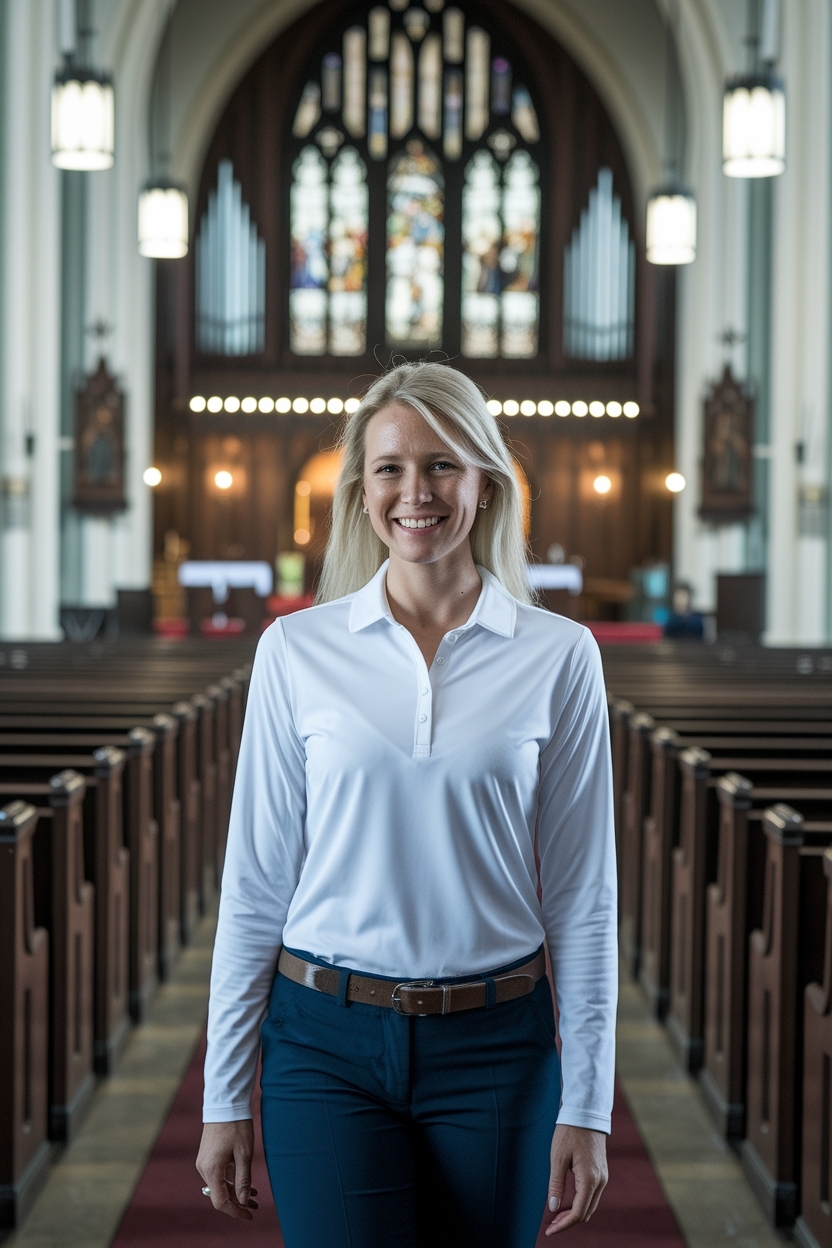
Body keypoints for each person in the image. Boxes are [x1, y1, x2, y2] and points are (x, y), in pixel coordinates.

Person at [196, 362, 618, 1248]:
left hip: (497, 1045)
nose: (414, 492)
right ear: (359, 490)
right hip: (324, 1043)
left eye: (442, 465)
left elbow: (582, 900)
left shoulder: (561, 655)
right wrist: (224, 1093)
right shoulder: (295, 651)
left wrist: (588, 1102)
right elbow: (255, 885)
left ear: (486, 483)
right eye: (389, 467)